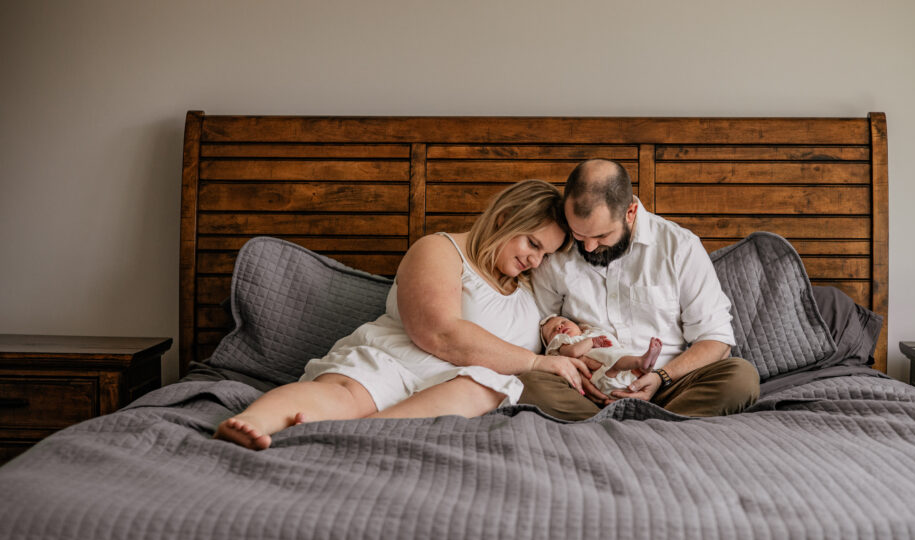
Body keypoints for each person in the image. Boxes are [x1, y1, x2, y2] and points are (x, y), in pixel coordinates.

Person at [215, 179, 591, 450]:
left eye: (545, 254)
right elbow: (438, 332)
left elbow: (548, 334)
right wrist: (534, 362)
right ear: (503, 219)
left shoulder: (529, 287)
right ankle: (252, 422)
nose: (535, 259)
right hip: (394, 362)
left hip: (455, 392)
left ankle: (357, 436)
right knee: (344, 395)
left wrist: (564, 343)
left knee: (487, 386)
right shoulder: (440, 250)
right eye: (532, 243)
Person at [519, 159, 760, 420]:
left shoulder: (679, 247)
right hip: (586, 388)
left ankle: (608, 430)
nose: (588, 247)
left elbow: (716, 340)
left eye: (601, 236)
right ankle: (656, 429)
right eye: (579, 235)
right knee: (527, 383)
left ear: (630, 212)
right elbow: (541, 336)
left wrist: (661, 378)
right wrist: (571, 370)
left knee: (741, 377)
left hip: (668, 388)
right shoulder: (555, 251)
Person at [540, 314, 662, 395]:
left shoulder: (588, 331)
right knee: (616, 362)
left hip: (628, 380)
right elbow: (574, 352)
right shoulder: (563, 344)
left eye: (563, 321)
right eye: (553, 330)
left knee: (632, 368)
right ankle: (642, 361)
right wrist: (592, 341)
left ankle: (645, 365)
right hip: (605, 376)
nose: (560, 326)